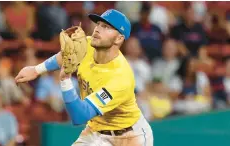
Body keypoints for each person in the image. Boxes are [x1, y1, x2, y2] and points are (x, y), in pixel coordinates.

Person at [15, 9, 153, 146]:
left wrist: (65, 80)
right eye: (98, 24)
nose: (97, 29)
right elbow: (64, 56)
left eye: (106, 27)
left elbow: (79, 115)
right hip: (97, 131)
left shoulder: (120, 77)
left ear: (119, 38)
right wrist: (36, 69)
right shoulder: (87, 44)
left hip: (130, 137)